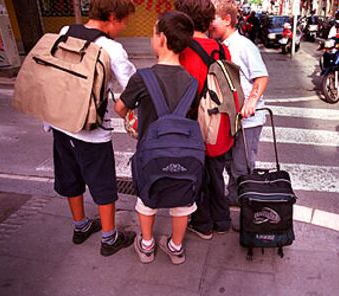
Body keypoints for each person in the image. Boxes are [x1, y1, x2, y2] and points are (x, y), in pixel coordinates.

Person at [48, 0, 137, 256]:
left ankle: (81, 226)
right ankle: (109, 239)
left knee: (69, 175)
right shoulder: (112, 48)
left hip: (60, 121)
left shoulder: (65, 31)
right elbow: (132, 86)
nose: (123, 27)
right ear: (111, 17)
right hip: (90, 129)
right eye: (123, 22)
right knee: (102, 181)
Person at [114, 11, 196, 265]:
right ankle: (176, 247)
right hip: (184, 151)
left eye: (153, 33)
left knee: (147, 198)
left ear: (161, 39)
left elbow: (120, 107)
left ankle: (147, 245)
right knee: (183, 202)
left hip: (151, 151)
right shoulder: (192, 81)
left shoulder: (142, 77)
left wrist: (131, 116)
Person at [176, 0, 238, 239]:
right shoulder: (222, 48)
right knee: (216, 173)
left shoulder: (184, 49)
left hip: (197, 125)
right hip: (220, 122)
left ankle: (203, 223)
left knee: (198, 175)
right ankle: (222, 220)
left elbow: (184, 91)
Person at [210, 0, 269, 206]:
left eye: (213, 19)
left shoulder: (244, 46)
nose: (209, 25)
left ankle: (243, 208)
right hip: (230, 117)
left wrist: (251, 101)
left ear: (227, 20)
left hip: (248, 120)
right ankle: (233, 199)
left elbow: (261, 77)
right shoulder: (219, 46)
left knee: (242, 167)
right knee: (228, 163)